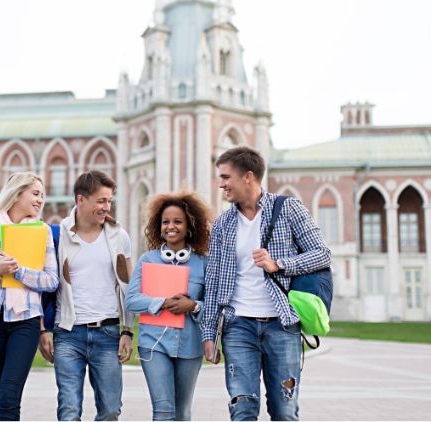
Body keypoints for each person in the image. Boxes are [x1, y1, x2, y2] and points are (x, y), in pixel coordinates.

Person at [201, 147, 331, 421]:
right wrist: (209, 333)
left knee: (284, 410)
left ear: (248, 176)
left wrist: (279, 264)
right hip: (238, 327)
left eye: (226, 176)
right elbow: (212, 282)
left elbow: (322, 253)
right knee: (243, 408)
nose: (221, 183)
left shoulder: (288, 209)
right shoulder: (223, 223)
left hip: (282, 325)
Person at [38, 170, 134, 421]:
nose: (106, 207)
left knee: (111, 410)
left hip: (108, 333)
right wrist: (42, 330)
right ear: (81, 200)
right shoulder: (57, 237)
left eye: (109, 201)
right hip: (68, 334)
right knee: (69, 409)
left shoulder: (119, 236)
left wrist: (128, 330)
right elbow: (41, 287)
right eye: (101, 201)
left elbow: (129, 287)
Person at [0, 171, 59, 421]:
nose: (40, 201)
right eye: (35, 194)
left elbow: (51, 280)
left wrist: (19, 272)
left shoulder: (42, 232)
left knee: (8, 397)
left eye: (43, 196)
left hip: (25, 323)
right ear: (17, 194)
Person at [124, 191, 213, 421]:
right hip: (153, 345)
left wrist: (192, 305)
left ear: (189, 226)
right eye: (165, 222)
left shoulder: (203, 263)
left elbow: (213, 306)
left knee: (182, 413)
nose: (170, 227)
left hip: (190, 346)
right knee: (163, 411)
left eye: (177, 221)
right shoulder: (147, 260)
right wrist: (162, 302)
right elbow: (131, 300)